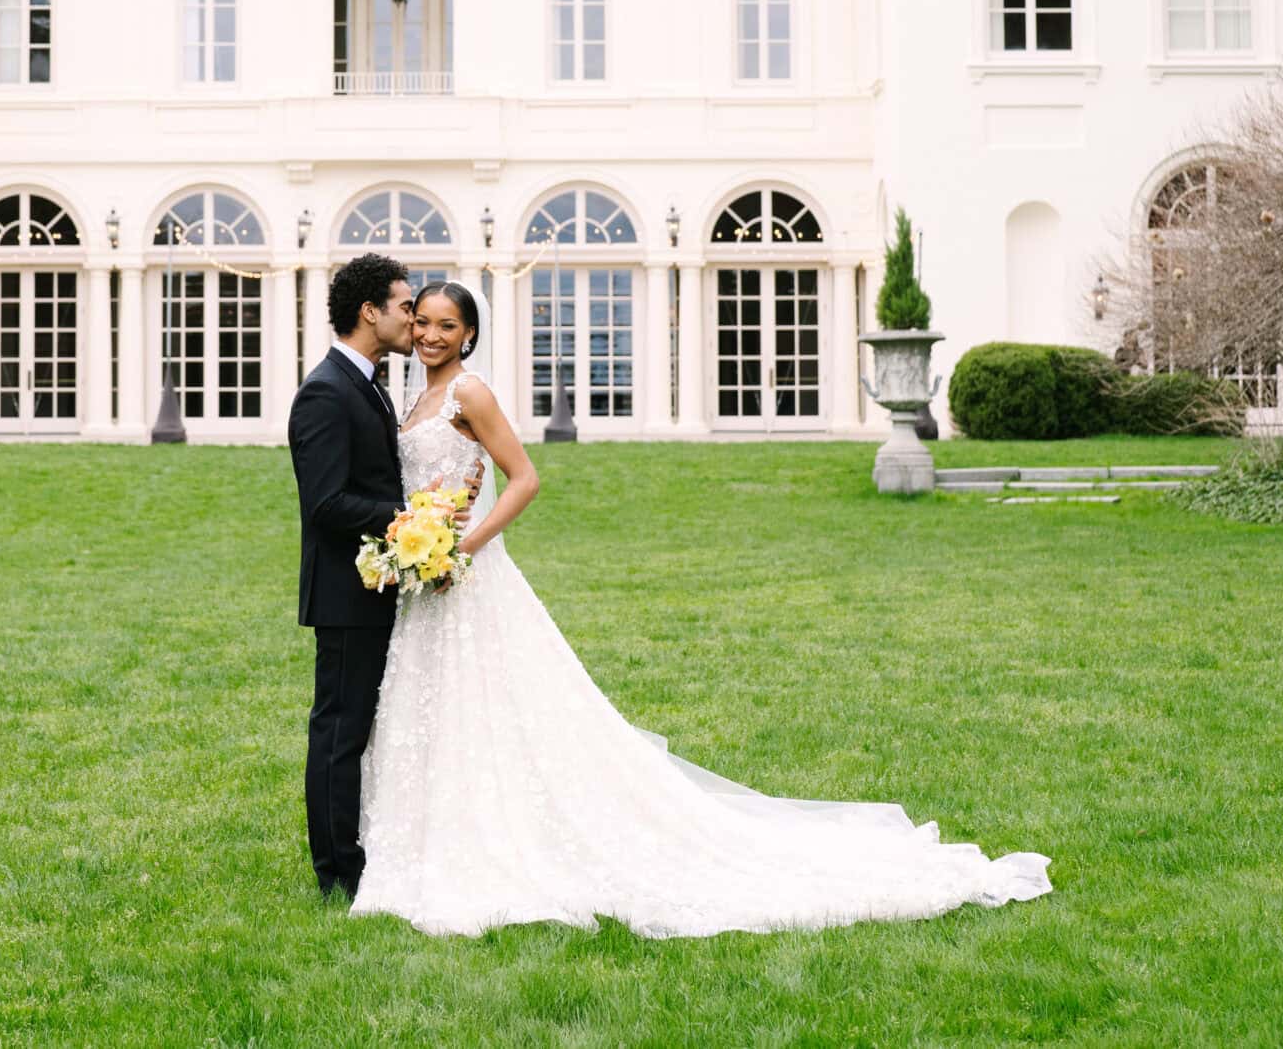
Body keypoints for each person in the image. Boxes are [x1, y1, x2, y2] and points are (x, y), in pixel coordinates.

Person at [349, 280, 1053, 938]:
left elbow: (525, 478)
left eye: (448, 325)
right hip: (426, 579)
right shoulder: (408, 395)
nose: (432, 334)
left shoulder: (469, 393)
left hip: (468, 573)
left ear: (469, 334)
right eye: (424, 321)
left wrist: (462, 546)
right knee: (443, 710)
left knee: (501, 707)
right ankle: (442, 833)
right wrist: (417, 547)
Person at [284, 252, 416, 902]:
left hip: (377, 586)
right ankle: (336, 869)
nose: (412, 318)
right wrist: (408, 517)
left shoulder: (368, 383)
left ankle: (355, 850)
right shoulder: (325, 391)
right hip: (345, 592)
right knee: (339, 730)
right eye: (404, 305)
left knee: (358, 727)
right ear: (371, 311)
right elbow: (327, 502)